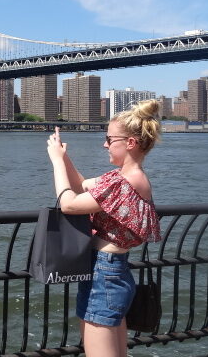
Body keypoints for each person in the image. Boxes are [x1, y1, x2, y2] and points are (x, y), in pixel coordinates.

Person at [46, 99, 162, 357]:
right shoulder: (126, 177)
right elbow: (82, 185)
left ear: (129, 143)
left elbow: (70, 204)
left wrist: (55, 162)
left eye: (110, 139)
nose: (104, 144)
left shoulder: (123, 182)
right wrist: (64, 157)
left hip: (104, 274)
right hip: (112, 271)